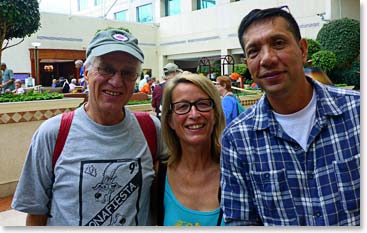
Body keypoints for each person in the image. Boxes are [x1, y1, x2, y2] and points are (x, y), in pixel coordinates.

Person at [11, 29, 167, 226]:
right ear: (86, 73)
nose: (116, 81)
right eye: (106, 69)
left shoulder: (151, 129)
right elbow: (35, 214)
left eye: (127, 72)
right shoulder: (53, 134)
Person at [220, 7, 360, 226]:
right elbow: (241, 222)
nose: (267, 59)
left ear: (303, 50)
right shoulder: (237, 139)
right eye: (254, 51)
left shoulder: (358, 112)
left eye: (278, 43)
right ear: (248, 63)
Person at [154, 72, 225, 226]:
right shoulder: (158, 174)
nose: (194, 114)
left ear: (215, 115)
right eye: (182, 107)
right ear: (170, 121)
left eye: (203, 104)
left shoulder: (235, 171)